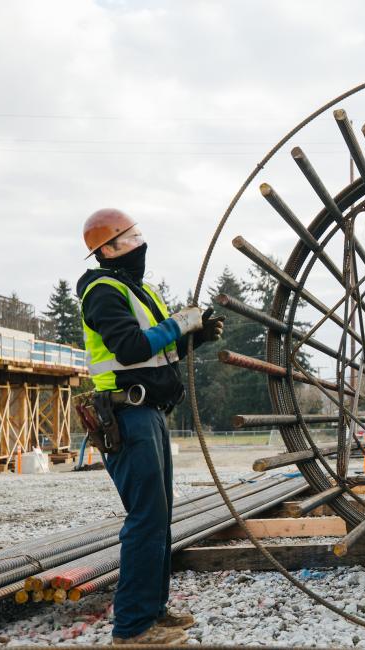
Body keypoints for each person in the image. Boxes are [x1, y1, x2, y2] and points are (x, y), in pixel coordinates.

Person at [76, 208, 224, 645]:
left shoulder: (137, 291)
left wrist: (193, 336)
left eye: (139, 235)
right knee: (145, 519)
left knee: (158, 518)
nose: (140, 244)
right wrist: (180, 322)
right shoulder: (103, 292)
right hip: (126, 415)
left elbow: (157, 351)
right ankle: (133, 629)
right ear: (107, 249)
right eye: (130, 238)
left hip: (149, 413)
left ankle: (153, 613)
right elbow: (131, 347)